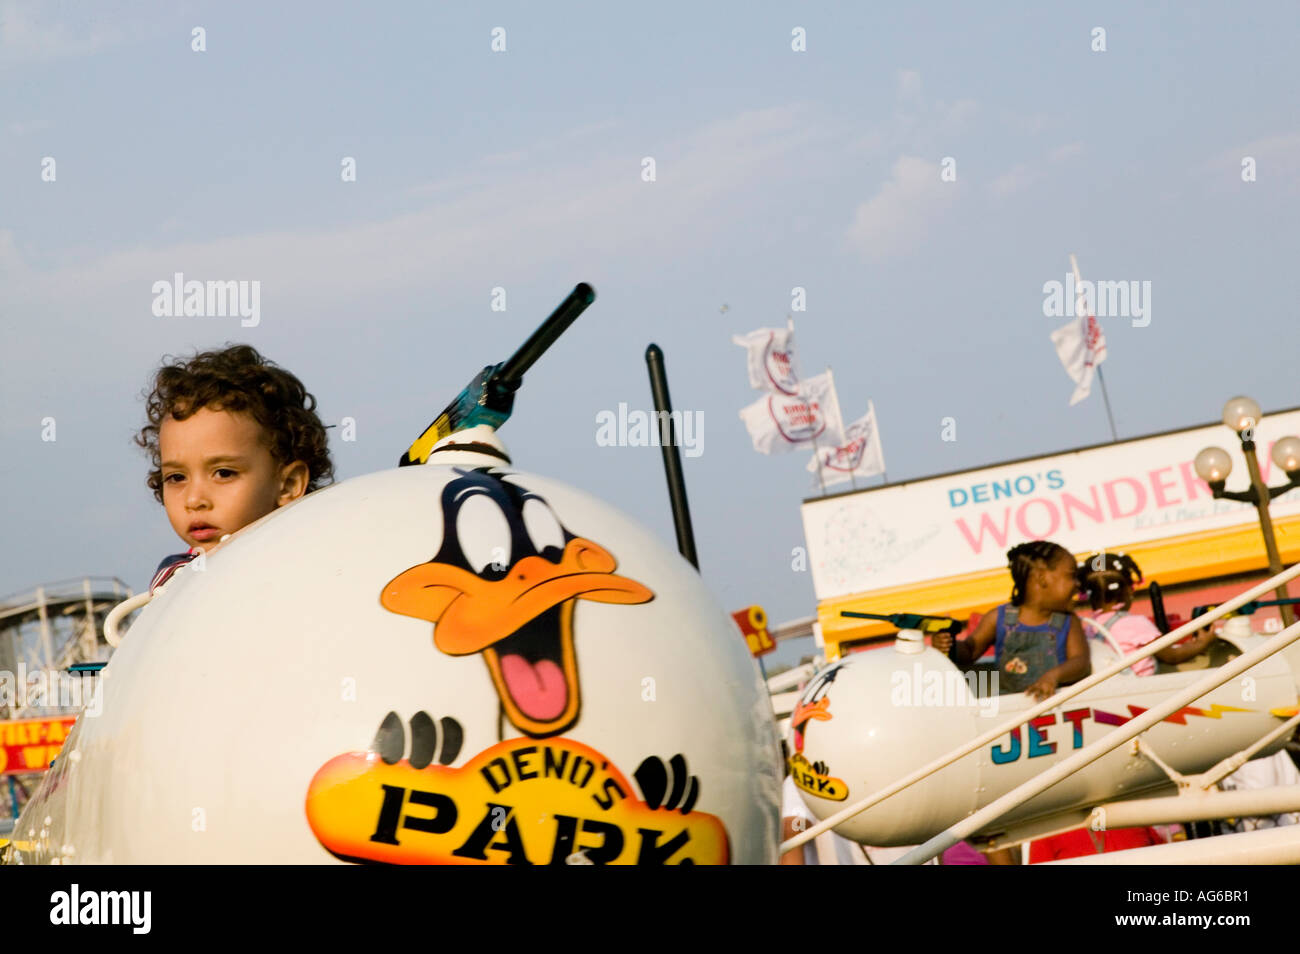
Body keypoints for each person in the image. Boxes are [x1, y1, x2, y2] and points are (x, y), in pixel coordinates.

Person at [135, 344, 334, 595]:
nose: (195, 500)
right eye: (176, 477)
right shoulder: (176, 583)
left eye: (224, 473)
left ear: (288, 484)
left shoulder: (325, 562)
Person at [933, 541, 1090, 702]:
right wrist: (950, 645)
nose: (1077, 584)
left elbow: (1081, 663)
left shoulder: (1068, 621)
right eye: (1071, 575)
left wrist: (1053, 676)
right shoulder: (998, 618)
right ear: (1042, 578)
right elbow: (969, 651)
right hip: (1010, 713)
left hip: (1054, 712)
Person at [1075, 551, 1215, 674]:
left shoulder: (1091, 627)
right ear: (1129, 590)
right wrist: (1202, 642)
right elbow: (1172, 656)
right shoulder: (1135, 624)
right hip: (1142, 687)